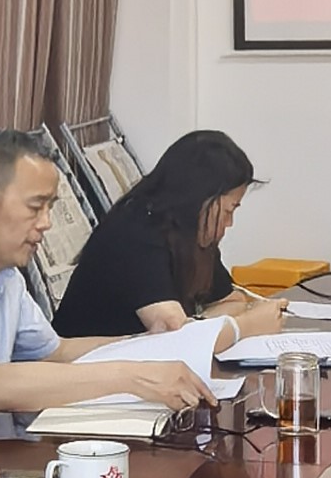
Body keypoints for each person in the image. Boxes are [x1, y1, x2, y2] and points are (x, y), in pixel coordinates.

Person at [0, 129, 216, 419]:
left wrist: (146, 343)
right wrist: (133, 378)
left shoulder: (5, 271)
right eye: (35, 207)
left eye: (49, 208)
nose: (46, 223)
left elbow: (54, 352)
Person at [52, 127, 293, 341]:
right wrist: (246, 327)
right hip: (85, 370)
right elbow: (173, 335)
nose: (230, 223)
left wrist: (202, 325)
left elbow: (232, 302)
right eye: (229, 210)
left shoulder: (189, 234)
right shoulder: (135, 232)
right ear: (201, 199)